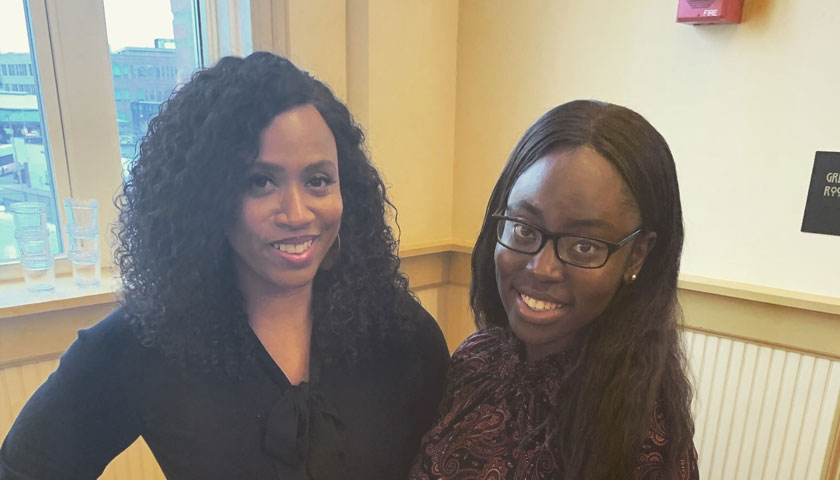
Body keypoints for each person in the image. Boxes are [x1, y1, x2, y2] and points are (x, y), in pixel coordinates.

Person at [0, 52, 449, 480]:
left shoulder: (403, 334)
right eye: (260, 182)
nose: (296, 213)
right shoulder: (145, 343)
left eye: (317, 181)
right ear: (206, 201)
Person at [410, 100, 699, 479]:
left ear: (637, 256)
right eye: (525, 229)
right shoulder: (475, 362)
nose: (541, 268)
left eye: (584, 245)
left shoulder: (644, 436)